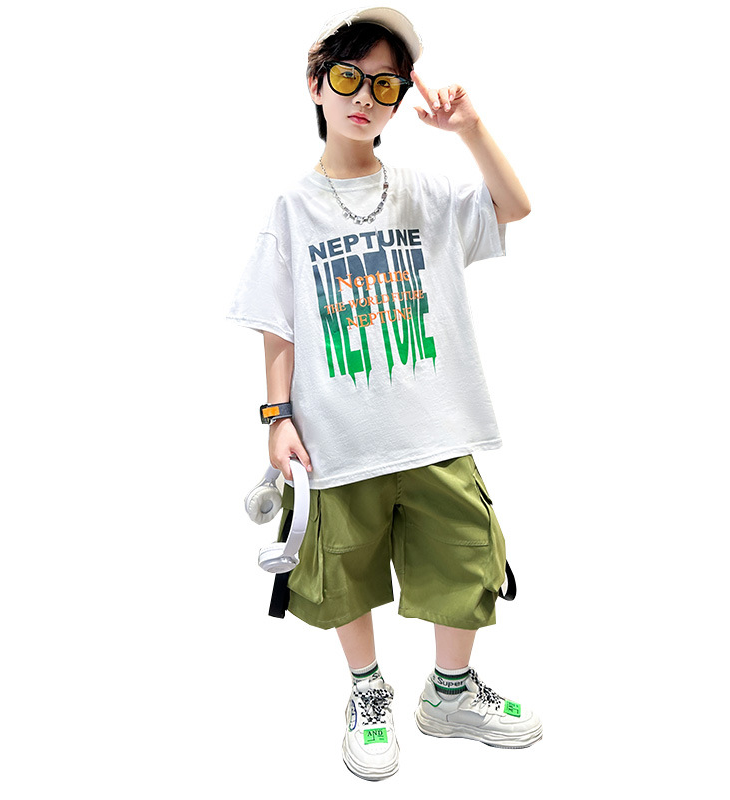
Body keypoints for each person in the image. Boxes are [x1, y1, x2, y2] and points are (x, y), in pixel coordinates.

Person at [228, 6, 542, 780]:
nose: (364, 97)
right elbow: (277, 323)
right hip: (339, 437)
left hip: (437, 430)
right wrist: (277, 417)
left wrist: (470, 129)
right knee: (344, 570)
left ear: (401, 99)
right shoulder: (291, 208)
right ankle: (368, 692)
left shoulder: (425, 192)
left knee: (466, 558)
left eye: (385, 85)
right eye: (348, 78)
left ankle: (450, 693)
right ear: (316, 84)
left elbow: (514, 206)